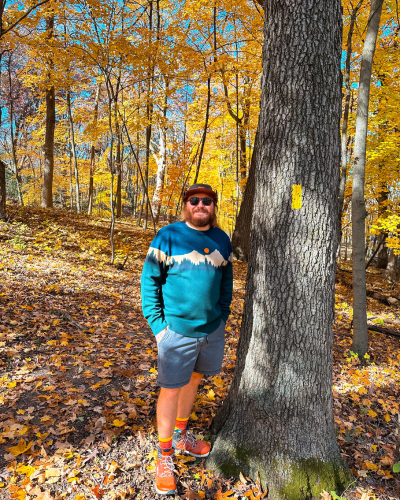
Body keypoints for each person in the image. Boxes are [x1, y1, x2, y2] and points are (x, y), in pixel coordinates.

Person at [141, 183, 233, 495]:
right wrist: (159, 327)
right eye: (194, 200)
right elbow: (149, 282)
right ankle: (165, 457)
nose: (200, 205)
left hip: (211, 330)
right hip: (175, 332)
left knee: (194, 381)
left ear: (213, 206)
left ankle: (181, 436)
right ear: (186, 205)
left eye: (206, 201)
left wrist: (222, 316)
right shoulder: (168, 235)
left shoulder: (222, 239)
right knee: (170, 390)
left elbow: (226, 281)